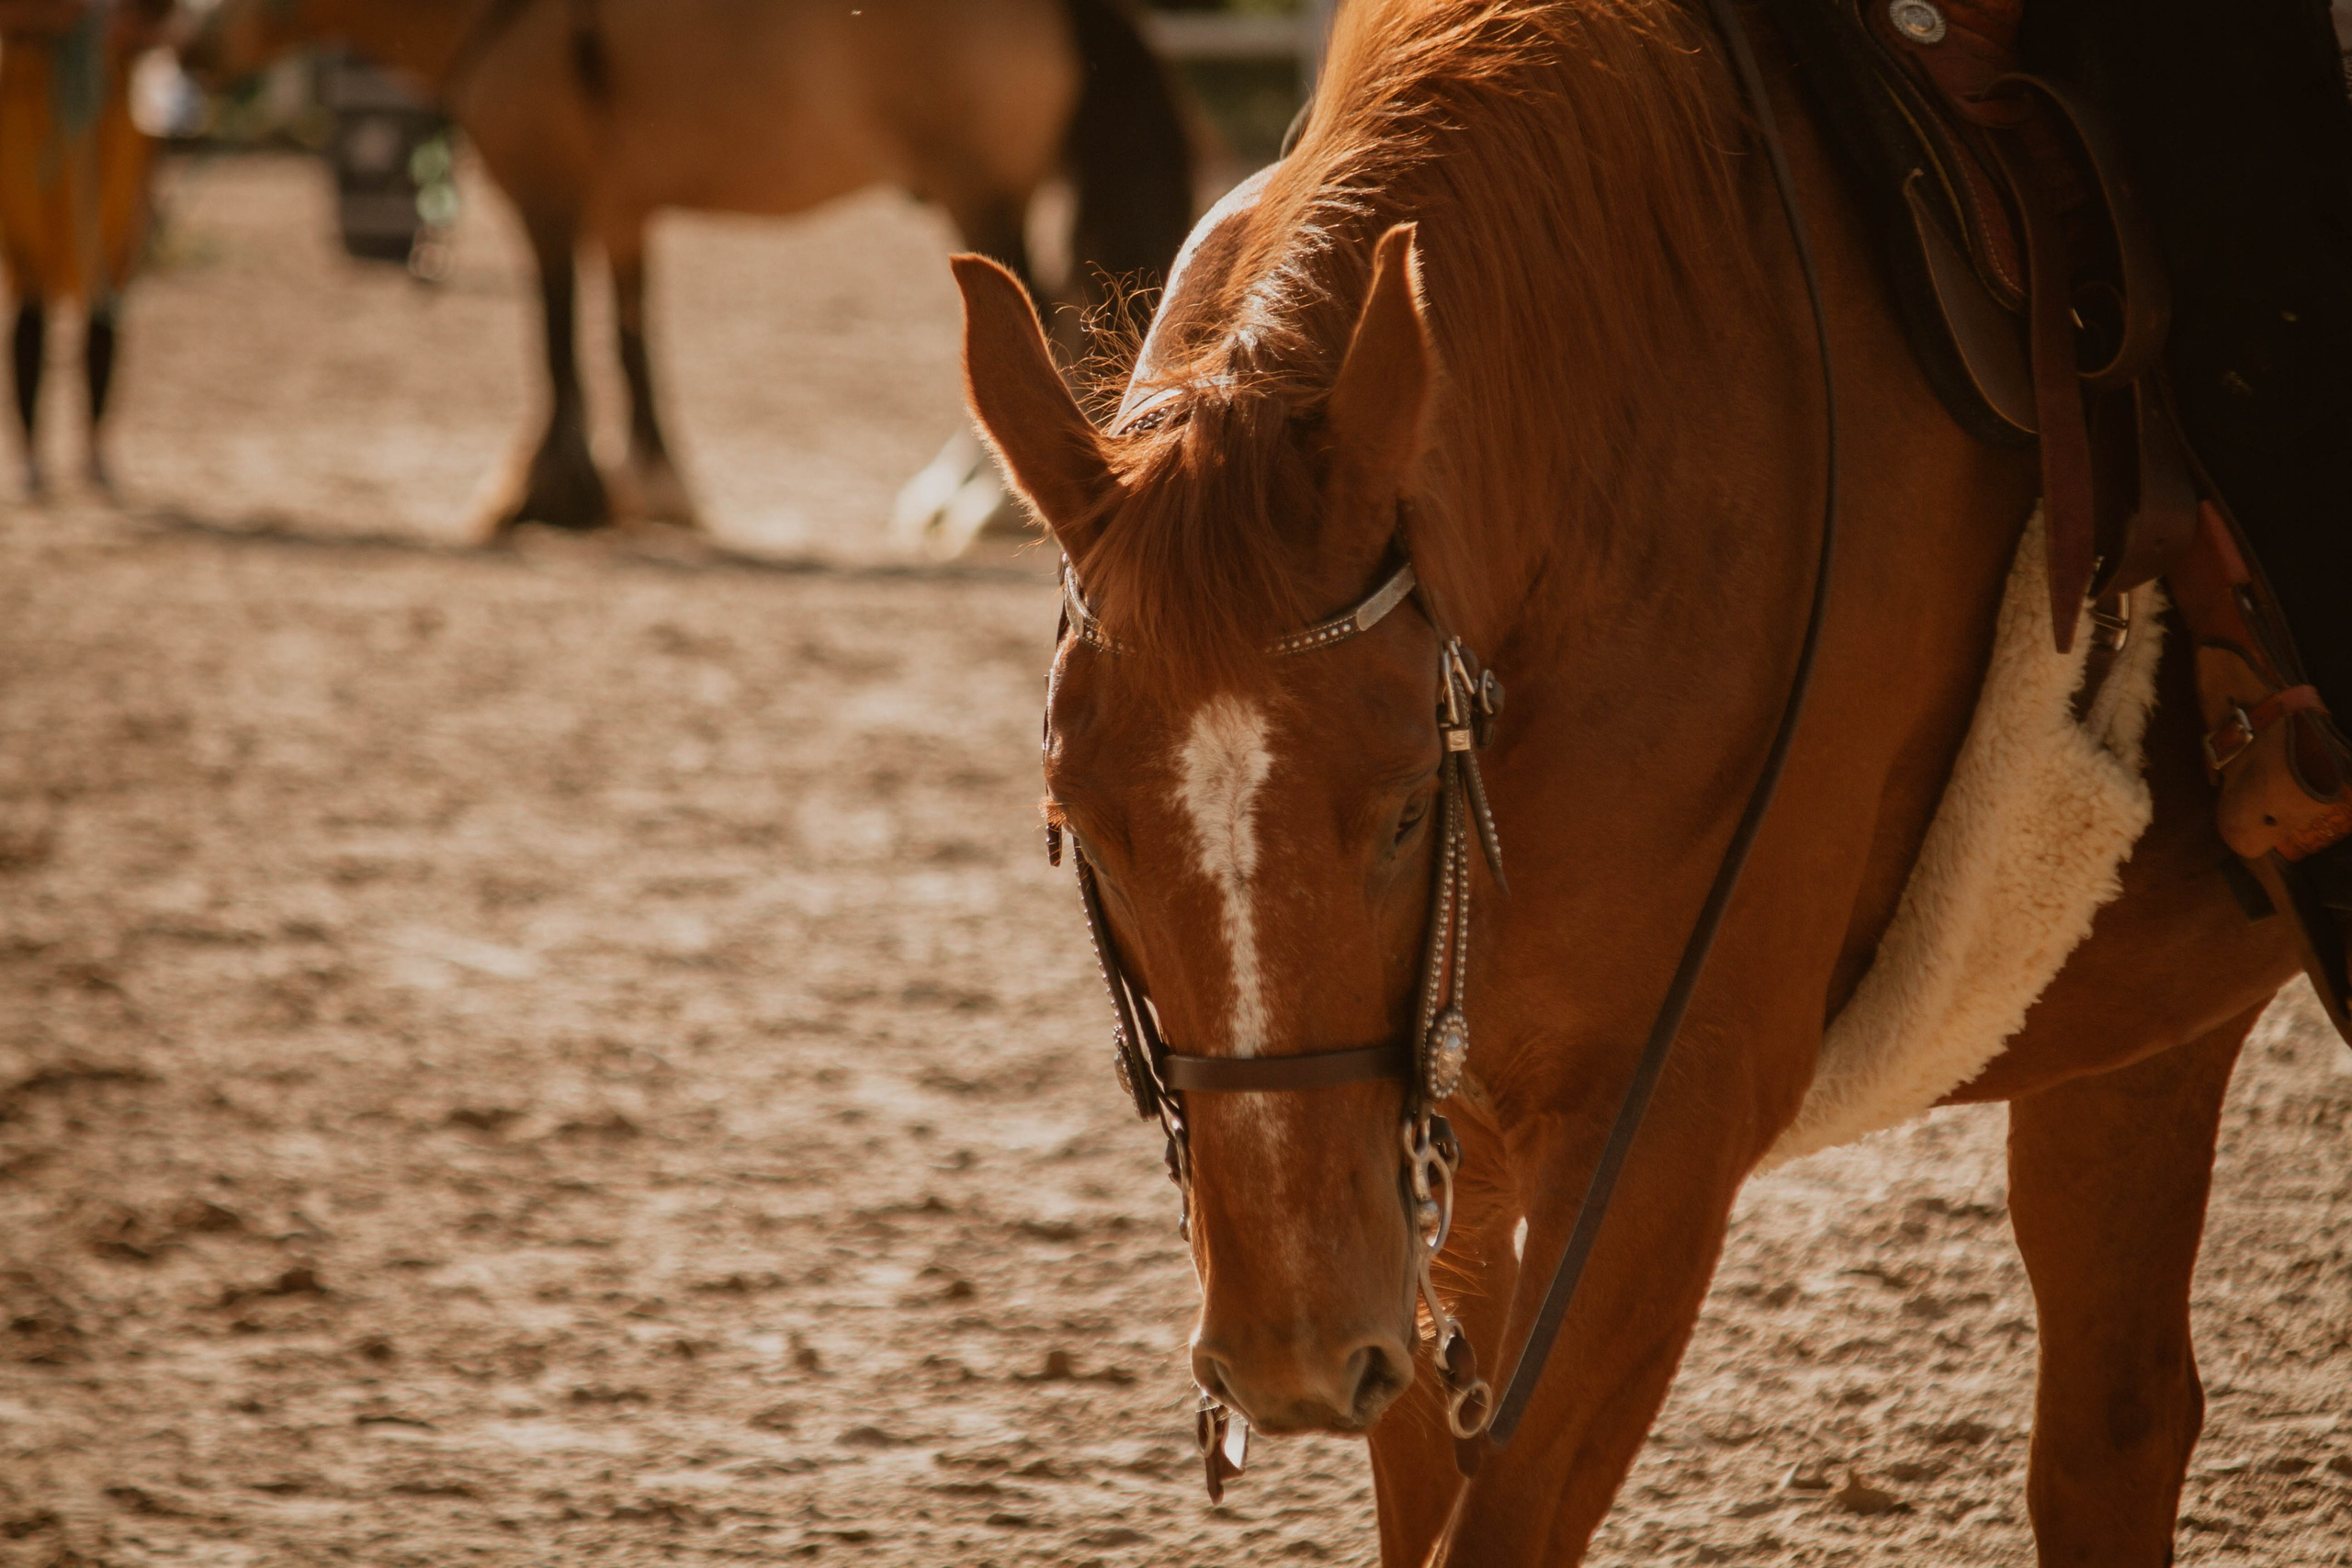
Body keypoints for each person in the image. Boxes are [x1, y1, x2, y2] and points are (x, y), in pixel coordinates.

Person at [0, 0, 170, 496]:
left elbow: (162, 20)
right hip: (30, 107)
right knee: (30, 281)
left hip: (110, 114)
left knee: (107, 283)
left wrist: (131, 27)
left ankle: (94, 447)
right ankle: (30, 454)